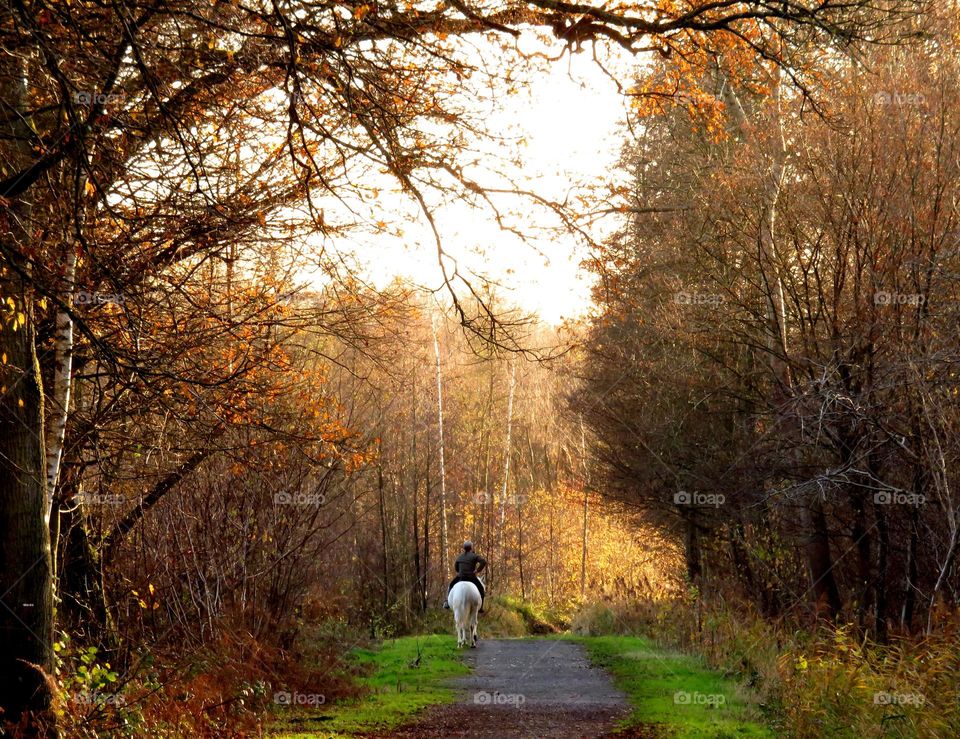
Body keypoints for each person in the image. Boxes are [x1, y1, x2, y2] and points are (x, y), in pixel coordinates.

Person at [442, 541, 486, 613]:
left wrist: (461, 571)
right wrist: (477, 570)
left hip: (461, 577)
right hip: (471, 578)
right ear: (471, 548)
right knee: (481, 589)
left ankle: (447, 603)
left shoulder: (460, 556)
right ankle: (481, 607)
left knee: (450, 585)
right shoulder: (474, 556)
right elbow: (483, 562)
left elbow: (456, 568)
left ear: (464, 548)